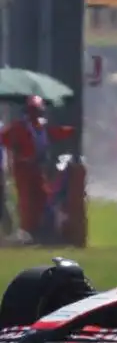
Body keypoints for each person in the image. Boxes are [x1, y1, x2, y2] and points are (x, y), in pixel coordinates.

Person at [1, 96, 76, 241]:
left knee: (43, 198)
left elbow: (55, 133)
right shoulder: (18, 127)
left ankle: (39, 229)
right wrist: (16, 150)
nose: (36, 114)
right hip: (23, 168)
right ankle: (27, 231)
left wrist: (72, 131)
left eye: (38, 111)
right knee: (26, 200)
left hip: (38, 168)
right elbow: (3, 138)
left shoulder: (41, 127)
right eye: (33, 111)